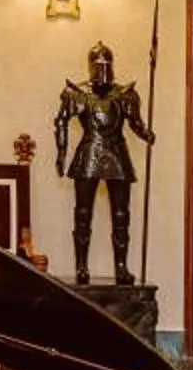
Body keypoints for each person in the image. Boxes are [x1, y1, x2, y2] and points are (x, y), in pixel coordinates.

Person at [54, 41, 153, 285]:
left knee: (121, 215)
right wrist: (61, 152)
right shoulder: (77, 93)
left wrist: (147, 134)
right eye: (98, 66)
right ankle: (81, 267)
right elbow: (61, 121)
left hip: (117, 152)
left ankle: (121, 267)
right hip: (89, 150)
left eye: (106, 65)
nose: (102, 70)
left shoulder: (124, 95)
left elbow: (136, 123)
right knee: (83, 213)